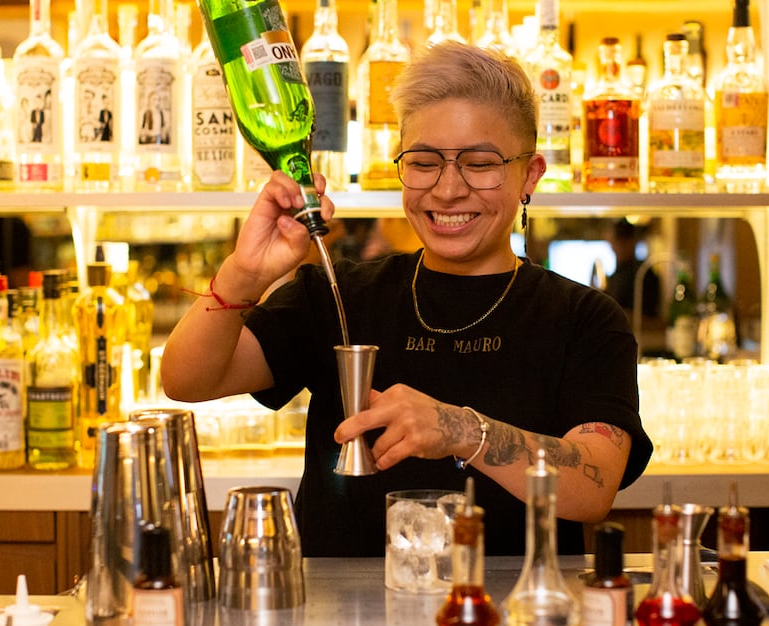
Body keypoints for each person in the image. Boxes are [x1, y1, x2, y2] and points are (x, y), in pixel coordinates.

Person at [161, 41, 652, 557]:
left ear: (529, 175)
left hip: (513, 619)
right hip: (339, 621)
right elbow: (187, 378)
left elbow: (593, 486)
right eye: (423, 162)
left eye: (480, 163)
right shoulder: (340, 294)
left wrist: (460, 429)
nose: (446, 190)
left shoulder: (585, 319)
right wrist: (244, 273)